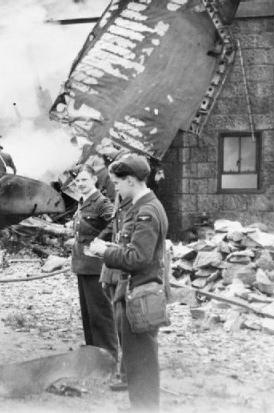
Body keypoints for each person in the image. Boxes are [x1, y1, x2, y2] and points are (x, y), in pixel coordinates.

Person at [88, 154, 168, 412]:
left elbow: (138, 257)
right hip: (136, 294)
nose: (115, 188)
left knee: (141, 364)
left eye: (117, 183)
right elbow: (134, 248)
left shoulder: (146, 211)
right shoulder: (144, 206)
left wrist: (104, 252)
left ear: (131, 180)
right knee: (138, 362)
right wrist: (112, 247)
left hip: (139, 297)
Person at [70, 164, 117, 361]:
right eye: (77, 180)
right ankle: (93, 354)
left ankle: (110, 356)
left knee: (101, 314)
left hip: (96, 266)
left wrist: (99, 240)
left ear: (94, 180)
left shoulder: (101, 202)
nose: (80, 184)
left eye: (84, 180)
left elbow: (115, 223)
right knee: (89, 314)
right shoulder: (84, 202)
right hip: (83, 264)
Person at [100, 191, 132, 391]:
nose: (116, 185)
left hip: (126, 272)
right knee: (119, 323)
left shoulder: (138, 204)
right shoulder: (121, 198)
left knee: (125, 326)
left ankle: (128, 376)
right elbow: (115, 232)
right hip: (114, 270)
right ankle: (124, 373)